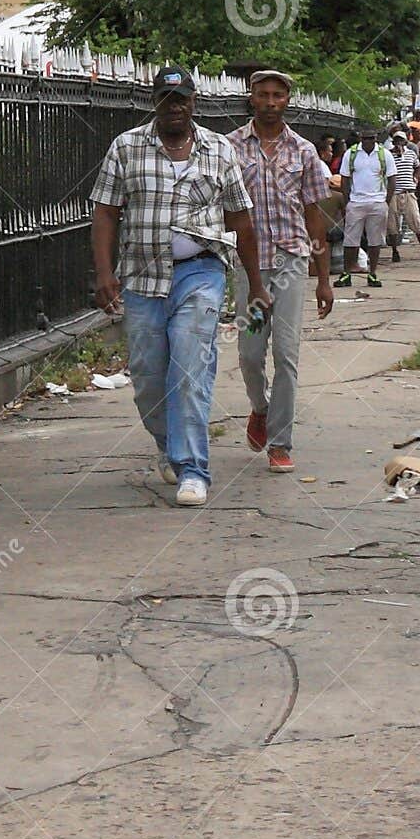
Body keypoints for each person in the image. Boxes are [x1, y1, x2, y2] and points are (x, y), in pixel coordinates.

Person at [90, 65, 268, 507]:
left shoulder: (218, 150)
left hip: (201, 271)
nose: (175, 107)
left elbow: (240, 219)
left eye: (182, 99)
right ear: (156, 102)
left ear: (194, 102)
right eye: (167, 99)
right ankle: (168, 442)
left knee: (189, 366)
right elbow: (106, 212)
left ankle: (193, 468)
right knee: (149, 374)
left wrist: (256, 283)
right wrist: (103, 272)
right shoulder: (126, 147)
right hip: (141, 274)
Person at [228, 70, 334, 475]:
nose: (271, 101)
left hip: (291, 263)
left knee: (286, 354)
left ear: (287, 100)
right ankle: (260, 408)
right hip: (250, 264)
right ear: (251, 98)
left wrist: (323, 278)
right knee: (250, 354)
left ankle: (280, 441)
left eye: (278, 95)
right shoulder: (231, 147)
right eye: (263, 95)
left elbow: (315, 216)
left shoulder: (304, 151)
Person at [335, 125, 394, 288]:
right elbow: (345, 178)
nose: (368, 141)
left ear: (376, 138)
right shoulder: (351, 154)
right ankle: (346, 274)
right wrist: (348, 201)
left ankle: (372, 273)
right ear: (361, 138)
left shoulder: (384, 154)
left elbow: (391, 180)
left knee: (375, 240)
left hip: (377, 202)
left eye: (372, 138)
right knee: (350, 241)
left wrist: (385, 202)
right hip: (356, 202)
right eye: (366, 138)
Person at [388, 131, 420, 261]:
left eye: (401, 141)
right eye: (396, 141)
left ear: (405, 142)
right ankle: (395, 251)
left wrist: (415, 178)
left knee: (416, 221)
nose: (398, 143)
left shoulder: (411, 154)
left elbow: (417, 167)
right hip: (394, 193)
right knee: (392, 224)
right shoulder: (388, 155)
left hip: (408, 192)